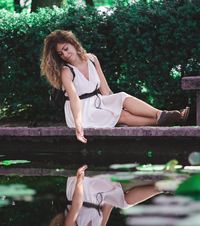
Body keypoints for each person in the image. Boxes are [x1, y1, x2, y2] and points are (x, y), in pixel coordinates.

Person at [41, 30, 189, 143]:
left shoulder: (92, 59)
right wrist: (78, 126)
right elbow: (74, 100)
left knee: (122, 97)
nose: (65, 54)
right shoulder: (66, 72)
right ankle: (164, 119)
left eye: (66, 49)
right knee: (120, 115)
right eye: (60, 54)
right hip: (81, 111)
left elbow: (105, 89)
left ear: (73, 43)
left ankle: (161, 115)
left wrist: (114, 104)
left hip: (97, 101)